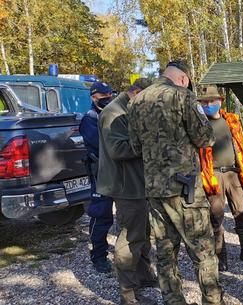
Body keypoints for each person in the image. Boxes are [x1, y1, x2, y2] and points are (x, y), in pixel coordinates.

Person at [128, 60, 224, 305]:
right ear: (183, 78)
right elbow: (205, 138)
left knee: (165, 251)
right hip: (185, 189)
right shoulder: (183, 96)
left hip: (155, 189)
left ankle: (173, 301)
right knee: (203, 252)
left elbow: (135, 146)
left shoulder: (136, 101)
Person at [97, 78, 157, 305]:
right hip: (125, 186)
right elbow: (118, 149)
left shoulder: (128, 109)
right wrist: (150, 140)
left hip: (138, 183)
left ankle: (144, 276)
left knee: (143, 233)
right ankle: (128, 294)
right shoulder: (114, 114)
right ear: (135, 92)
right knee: (130, 238)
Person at [197, 85, 243, 271]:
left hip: (234, 173)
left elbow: (241, 146)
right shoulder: (198, 124)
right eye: (204, 102)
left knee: (242, 212)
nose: (208, 105)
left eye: (211, 101)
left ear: (219, 101)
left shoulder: (232, 120)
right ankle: (221, 257)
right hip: (213, 175)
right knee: (216, 217)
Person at [80, 81, 115, 274]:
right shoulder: (90, 118)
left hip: (117, 172)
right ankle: (99, 255)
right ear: (94, 97)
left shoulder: (111, 114)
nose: (108, 97)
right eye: (104, 96)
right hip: (100, 173)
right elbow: (102, 146)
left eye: (110, 94)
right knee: (101, 214)